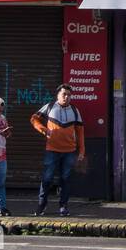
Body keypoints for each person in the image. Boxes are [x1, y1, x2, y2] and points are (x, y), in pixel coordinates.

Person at [31, 84, 86, 216]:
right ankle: (41, 205)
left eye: (69, 95)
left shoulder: (74, 110)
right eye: (64, 94)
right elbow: (34, 119)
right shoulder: (50, 106)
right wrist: (43, 129)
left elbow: (80, 132)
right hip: (52, 149)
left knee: (65, 179)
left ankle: (63, 206)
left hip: (70, 151)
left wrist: (82, 151)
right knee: (47, 178)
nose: (66, 97)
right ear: (58, 95)